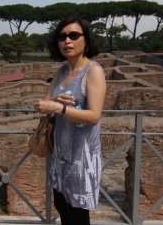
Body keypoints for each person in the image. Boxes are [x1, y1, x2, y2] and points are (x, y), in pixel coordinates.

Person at [33, 16, 106, 225]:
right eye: (62, 37)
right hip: (60, 157)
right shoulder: (62, 71)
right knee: (63, 208)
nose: (67, 41)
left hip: (81, 160)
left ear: (85, 40)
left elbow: (94, 116)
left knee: (77, 217)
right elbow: (44, 103)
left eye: (74, 36)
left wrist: (59, 108)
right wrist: (54, 102)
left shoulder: (94, 71)